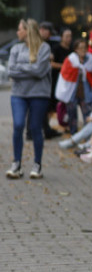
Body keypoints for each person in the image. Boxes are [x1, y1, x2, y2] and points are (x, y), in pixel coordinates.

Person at [6, 19, 52, 179]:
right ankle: (16, 164)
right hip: (18, 94)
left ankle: (37, 164)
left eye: (20, 29)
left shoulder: (44, 48)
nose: (17, 32)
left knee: (35, 128)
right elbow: (11, 71)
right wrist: (30, 68)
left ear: (28, 31)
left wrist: (21, 67)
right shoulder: (15, 49)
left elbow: (40, 71)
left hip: (39, 94)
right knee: (18, 125)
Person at [55, 38, 92, 135]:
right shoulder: (70, 60)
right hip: (72, 93)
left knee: (87, 115)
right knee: (72, 116)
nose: (83, 50)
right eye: (80, 48)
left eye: (85, 48)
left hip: (86, 93)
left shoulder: (90, 60)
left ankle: (88, 136)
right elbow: (64, 75)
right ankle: (74, 134)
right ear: (76, 49)